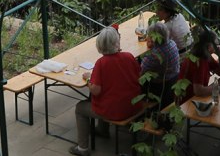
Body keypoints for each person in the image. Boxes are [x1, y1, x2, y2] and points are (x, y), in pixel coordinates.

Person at [70, 27, 142, 156]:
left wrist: (88, 80)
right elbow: (138, 77)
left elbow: (96, 91)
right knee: (108, 97)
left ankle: (82, 148)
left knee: (80, 107)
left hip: (115, 111)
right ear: (117, 42)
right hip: (134, 105)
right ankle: (102, 130)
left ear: (99, 45)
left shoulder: (101, 63)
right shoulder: (129, 56)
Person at [178, 27, 220, 103]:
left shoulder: (206, 55)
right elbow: (199, 91)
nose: (217, 46)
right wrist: (218, 87)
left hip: (194, 98)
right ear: (208, 47)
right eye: (215, 44)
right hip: (186, 103)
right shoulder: (199, 61)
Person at [140, 21, 180, 108]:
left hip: (159, 89)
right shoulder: (172, 44)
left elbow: (141, 73)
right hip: (173, 83)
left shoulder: (154, 55)